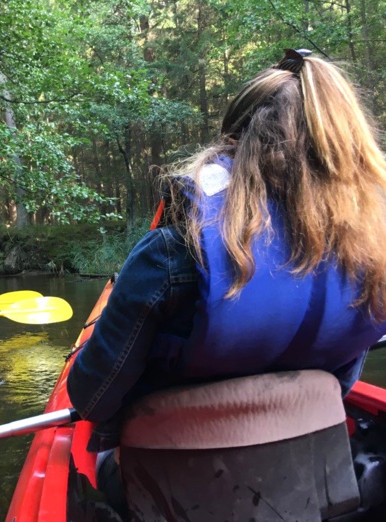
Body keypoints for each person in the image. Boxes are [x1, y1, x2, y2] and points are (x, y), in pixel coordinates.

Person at [66, 49, 386, 504]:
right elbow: (342, 385)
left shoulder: (173, 252)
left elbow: (93, 399)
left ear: (233, 146)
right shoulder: (373, 260)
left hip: (174, 490)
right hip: (310, 487)